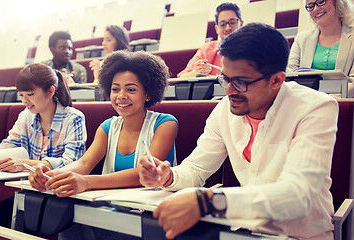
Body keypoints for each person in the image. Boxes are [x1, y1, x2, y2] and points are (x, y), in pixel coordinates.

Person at [139, 23, 338, 240]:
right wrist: (169, 177)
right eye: (225, 79)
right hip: (246, 233)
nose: (230, 90)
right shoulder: (224, 109)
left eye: (241, 82)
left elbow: (298, 195)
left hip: (303, 236)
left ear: (276, 80)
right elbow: (196, 168)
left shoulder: (315, 108)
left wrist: (209, 201)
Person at [29, 51, 178, 240]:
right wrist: (49, 175)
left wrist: (88, 182)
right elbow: (84, 164)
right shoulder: (108, 126)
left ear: (148, 93)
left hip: (148, 216)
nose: (121, 96)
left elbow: (143, 175)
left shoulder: (166, 124)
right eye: (115, 89)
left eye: (131, 90)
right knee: (67, 220)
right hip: (112, 210)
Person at [0, 63, 87, 172]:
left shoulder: (74, 118)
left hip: (61, 192)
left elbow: (71, 163)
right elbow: (9, 146)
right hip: (29, 189)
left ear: (50, 91)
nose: (24, 101)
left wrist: (24, 164)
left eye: (30, 94)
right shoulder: (26, 115)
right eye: (21, 95)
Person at [286, 0, 354, 87]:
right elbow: (290, 74)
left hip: (343, 99)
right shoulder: (301, 39)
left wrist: (331, 98)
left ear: (337, 2)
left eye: (321, 1)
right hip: (306, 98)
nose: (315, 9)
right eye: (310, 6)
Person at [177, 2, 243, 78]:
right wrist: (195, 73)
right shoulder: (206, 49)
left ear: (241, 24)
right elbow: (181, 78)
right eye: (223, 24)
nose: (228, 28)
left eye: (232, 22)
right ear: (216, 29)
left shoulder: (253, 47)